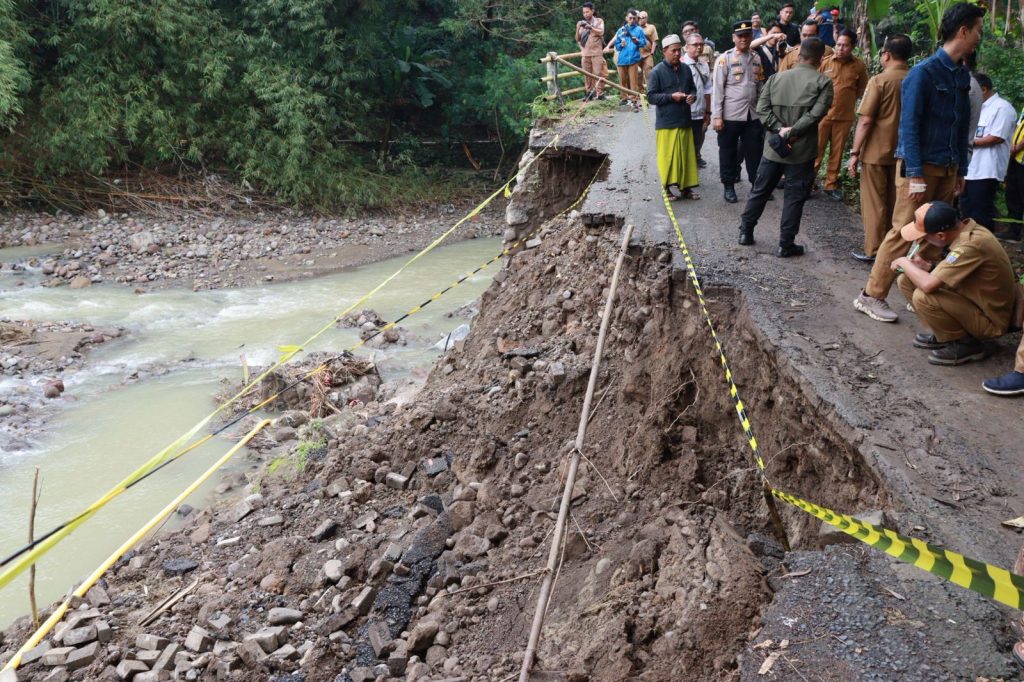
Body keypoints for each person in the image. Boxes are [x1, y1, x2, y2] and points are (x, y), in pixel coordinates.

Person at [853, 2, 984, 323]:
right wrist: (914, 174)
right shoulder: (922, 74)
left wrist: (961, 171)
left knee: (940, 233)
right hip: (919, 169)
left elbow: (958, 126)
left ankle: (913, 289)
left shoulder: (961, 76)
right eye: (978, 31)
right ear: (963, 32)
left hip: (947, 168)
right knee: (904, 232)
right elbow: (908, 126)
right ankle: (871, 295)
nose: (980, 38)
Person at [737, 38, 834, 256]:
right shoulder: (824, 83)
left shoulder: (776, 78)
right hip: (802, 151)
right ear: (820, 60)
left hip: (773, 148)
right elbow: (816, 115)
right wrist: (793, 131)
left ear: (799, 56)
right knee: (794, 198)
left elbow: (762, 108)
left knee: (759, 191)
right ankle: (785, 244)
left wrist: (779, 129)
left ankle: (745, 232)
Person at [893, 201, 1015, 365]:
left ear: (940, 236)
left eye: (923, 237)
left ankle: (966, 343)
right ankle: (946, 334)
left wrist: (903, 262)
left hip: (989, 321)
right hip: (973, 301)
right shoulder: (968, 230)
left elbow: (929, 285)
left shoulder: (970, 245)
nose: (921, 241)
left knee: (923, 296)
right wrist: (928, 267)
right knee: (906, 280)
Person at [847, 34, 912, 263]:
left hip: (876, 152)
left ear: (886, 55)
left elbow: (865, 120)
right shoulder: (916, 79)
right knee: (897, 204)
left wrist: (854, 152)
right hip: (906, 154)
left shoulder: (880, 81)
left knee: (875, 203)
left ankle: (874, 250)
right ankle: (895, 250)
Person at [712, 20, 765, 204]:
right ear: (733, 38)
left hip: (752, 114)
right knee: (728, 152)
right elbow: (718, 90)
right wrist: (717, 116)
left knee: (754, 152)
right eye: (740, 36)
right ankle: (729, 186)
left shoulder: (756, 58)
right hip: (730, 115)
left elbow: (760, 86)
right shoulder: (724, 59)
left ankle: (756, 186)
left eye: (747, 35)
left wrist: (763, 113)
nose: (744, 39)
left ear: (751, 37)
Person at [814, 28, 868, 200]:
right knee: (816, 151)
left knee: (836, 153)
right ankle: (807, 182)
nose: (840, 48)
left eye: (845, 45)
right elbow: (814, 86)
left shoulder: (859, 65)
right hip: (823, 115)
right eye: (838, 45)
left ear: (852, 46)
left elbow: (862, 89)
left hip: (844, 117)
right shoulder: (825, 62)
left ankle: (830, 184)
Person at [962, 73, 1017, 229]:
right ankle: (968, 246)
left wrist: (966, 142)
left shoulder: (1002, 108)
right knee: (966, 209)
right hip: (970, 169)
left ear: (983, 89)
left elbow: (996, 137)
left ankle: (984, 247)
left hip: (986, 170)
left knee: (981, 212)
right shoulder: (976, 107)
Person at [648, 35, 700, 200]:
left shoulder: (686, 69)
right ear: (664, 51)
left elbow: (693, 89)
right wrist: (672, 97)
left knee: (686, 157)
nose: (677, 53)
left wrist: (692, 96)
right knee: (668, 159)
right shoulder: (657, 71)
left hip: (685, 120)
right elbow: (651, 97)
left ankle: (686, 189)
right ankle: (666, 189)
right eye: (674, 50)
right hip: (666, 123)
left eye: (679, 50)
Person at [683, 33, 713, 169]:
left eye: (701, 44)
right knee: (684, 142)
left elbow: (707, 90)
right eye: (695, 45)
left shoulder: (704, 65)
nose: (699, 47)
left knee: (699, 138)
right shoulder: (681, 65)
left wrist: (708, 111)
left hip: (700, 112)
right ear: (686, 47)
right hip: (685, 113)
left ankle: (695, 158)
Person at [996, 106, 1024, 241]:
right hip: (1016, 159)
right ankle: (1013, 230)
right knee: (1013, 195)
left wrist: (1017, 147)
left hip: (1020, 156)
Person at [613, 9, 647, 110]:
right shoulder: (621, 30)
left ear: (636, 19)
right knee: (622, 80)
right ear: (626, 18)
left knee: (633, 80)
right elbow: (617, 45)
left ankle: (633, 99)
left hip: (633, 58)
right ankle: (624, 98)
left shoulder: (639, 30)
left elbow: (643, 43)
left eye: (634, 18)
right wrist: (621, 45)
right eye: (630, 18)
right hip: (622, 59)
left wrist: (637, 41)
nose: (632, 20)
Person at [577, 3, 607, 102]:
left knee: (598, 74)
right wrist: (578, 28)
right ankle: (589, 93)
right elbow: (578, 39)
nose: (585, 14)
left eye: (587, 12)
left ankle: (600, 94)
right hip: (585, 54)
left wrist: (590, 27)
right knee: (587, 75)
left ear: (592, 11)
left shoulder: (599, 21)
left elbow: (601, 32)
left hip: (597, 53)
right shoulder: (582, 24)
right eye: (584, 12)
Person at [638, 11, 659, 87]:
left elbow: (655, 41)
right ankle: (639, 93)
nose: (641, 19)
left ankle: (651, 92)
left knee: (649, 74)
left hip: (648, 54)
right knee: (638, 75)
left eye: (643, 17)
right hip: (637, 55)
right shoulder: (635, 28)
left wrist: (652, 53)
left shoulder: (651, 27)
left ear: (646, 18)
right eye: (640, 17)